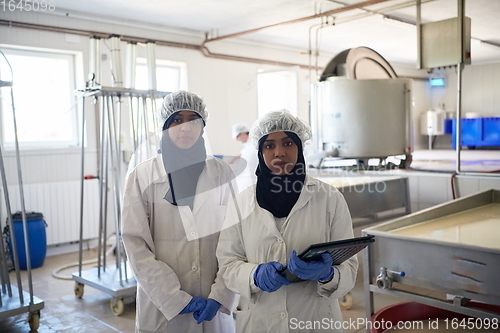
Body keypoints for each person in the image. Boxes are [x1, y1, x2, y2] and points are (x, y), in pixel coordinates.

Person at [216, 110, 358, 332]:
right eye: (269, 146)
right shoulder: (241, 203)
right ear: (260, 152)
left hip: (315, 320)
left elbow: (349, 266)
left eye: (288, 143)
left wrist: (329, 275)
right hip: (261, 321)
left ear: (300, 148)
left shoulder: (329, 199)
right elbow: (227, 263)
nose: (279, 152)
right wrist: (254, 275)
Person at [122, 91, 237, 333]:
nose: (185, 128)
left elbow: (234, 239)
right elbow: (136, 245)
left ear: (202, 127)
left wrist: (220, 294)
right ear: (165, 126)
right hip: (163, 312)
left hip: (212, 307)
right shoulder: (143, 176)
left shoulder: (221, 173)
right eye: (177, 120)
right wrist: (173, 298)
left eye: (193, 120)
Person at [231, 123, 258, 192]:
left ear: (242, 134)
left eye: (238, 137)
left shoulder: (253, 144)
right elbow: (240, 154)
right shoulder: (247, 145)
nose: (237, 140)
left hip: (251, 180)